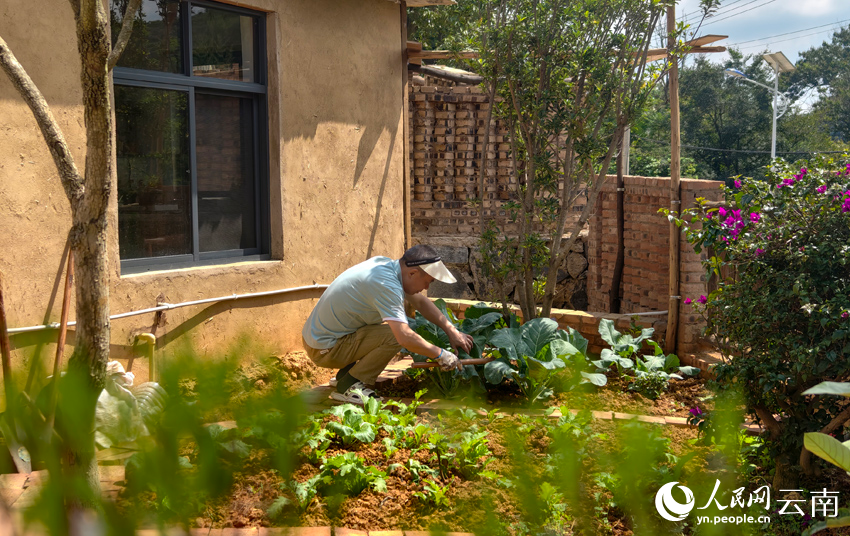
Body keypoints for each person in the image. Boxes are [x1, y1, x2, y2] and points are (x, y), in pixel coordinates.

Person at [302, 245, 474, 404]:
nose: (426, 287)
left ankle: (345, 375)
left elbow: (420, 302)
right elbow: (404, 337)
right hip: (325, 349)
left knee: (394, 328)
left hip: (322, 340)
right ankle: (349, 386)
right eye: (427, 282)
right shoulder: (386, 285)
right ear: (413, 273)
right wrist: (441, 355)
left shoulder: (386, 266)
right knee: (396, 334)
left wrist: (452, 331)